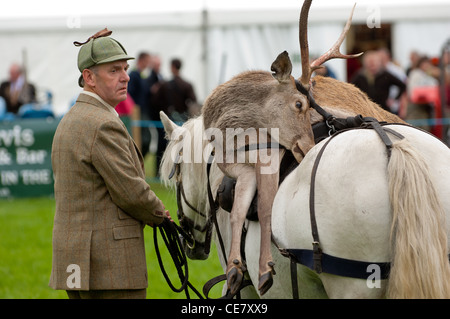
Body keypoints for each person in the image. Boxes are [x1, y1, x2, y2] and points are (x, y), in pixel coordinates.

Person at [49, 28, 171, 299]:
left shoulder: (69, 120)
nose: (126, 77)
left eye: (125, 68)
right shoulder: (103, 123)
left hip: (76, 260)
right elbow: (131, 192)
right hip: (110, 265)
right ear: (89, 77)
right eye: (114, 70)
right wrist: (160, 214)